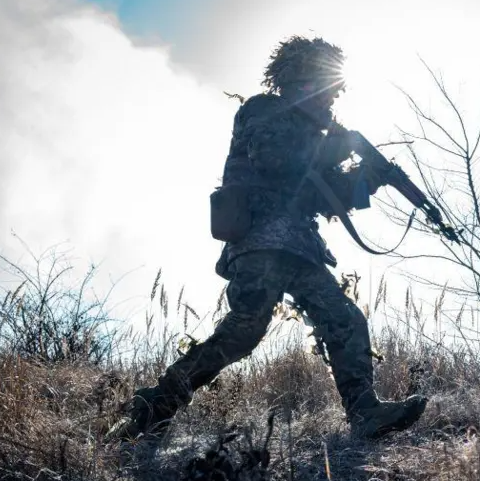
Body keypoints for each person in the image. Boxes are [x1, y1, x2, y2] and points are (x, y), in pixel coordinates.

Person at [107, 35, 427, 443]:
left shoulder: (318, 131)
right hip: (259, 239)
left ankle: (364, 412)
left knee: (344, 319)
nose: (331, 98)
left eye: (335, 91)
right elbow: (276, 158)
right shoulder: (263, 110)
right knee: (245, 330)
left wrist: (371, 179)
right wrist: (336, 146)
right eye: (324, 87)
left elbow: (329, 195)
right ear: (299, 79)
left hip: (300, 246)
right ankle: (154, 406)